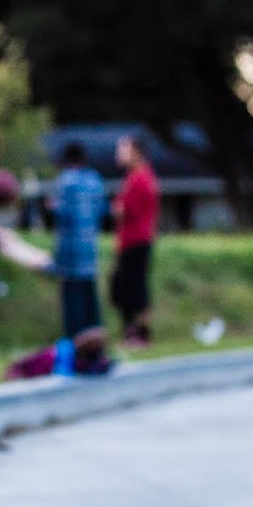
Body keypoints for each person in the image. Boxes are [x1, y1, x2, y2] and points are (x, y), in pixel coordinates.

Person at [51, 141, 107, 338]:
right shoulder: (95, 180)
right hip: (89, 244)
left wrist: (52, 206)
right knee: (89, 293)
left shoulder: (65, 181)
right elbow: (102, 210)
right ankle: (95, 335)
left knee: (72, 295)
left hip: (69, 247)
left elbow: (62, 213)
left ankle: (75, 338)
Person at [109, 133, 159, 347]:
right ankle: (133, 332)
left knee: (134, 289)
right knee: (125, 288)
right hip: (131, 240)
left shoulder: (140, 178)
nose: (119, 155)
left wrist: (117, 209)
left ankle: (139, 334)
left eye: (124, 150)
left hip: (136, 240)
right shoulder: (135, 177)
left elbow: (125, 211)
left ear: (136, 152)